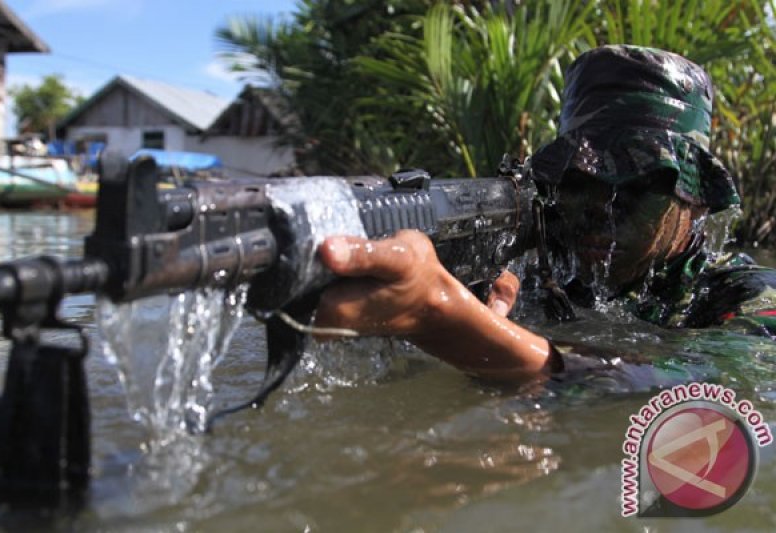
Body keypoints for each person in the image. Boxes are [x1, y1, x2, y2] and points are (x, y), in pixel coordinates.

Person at [313, 45, 776, 381]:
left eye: (636, 185)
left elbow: (712, 384)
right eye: (577, 179)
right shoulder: (541, 258)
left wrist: (450, 321)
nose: (599, 207)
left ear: (694, 197)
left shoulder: (743, 297)